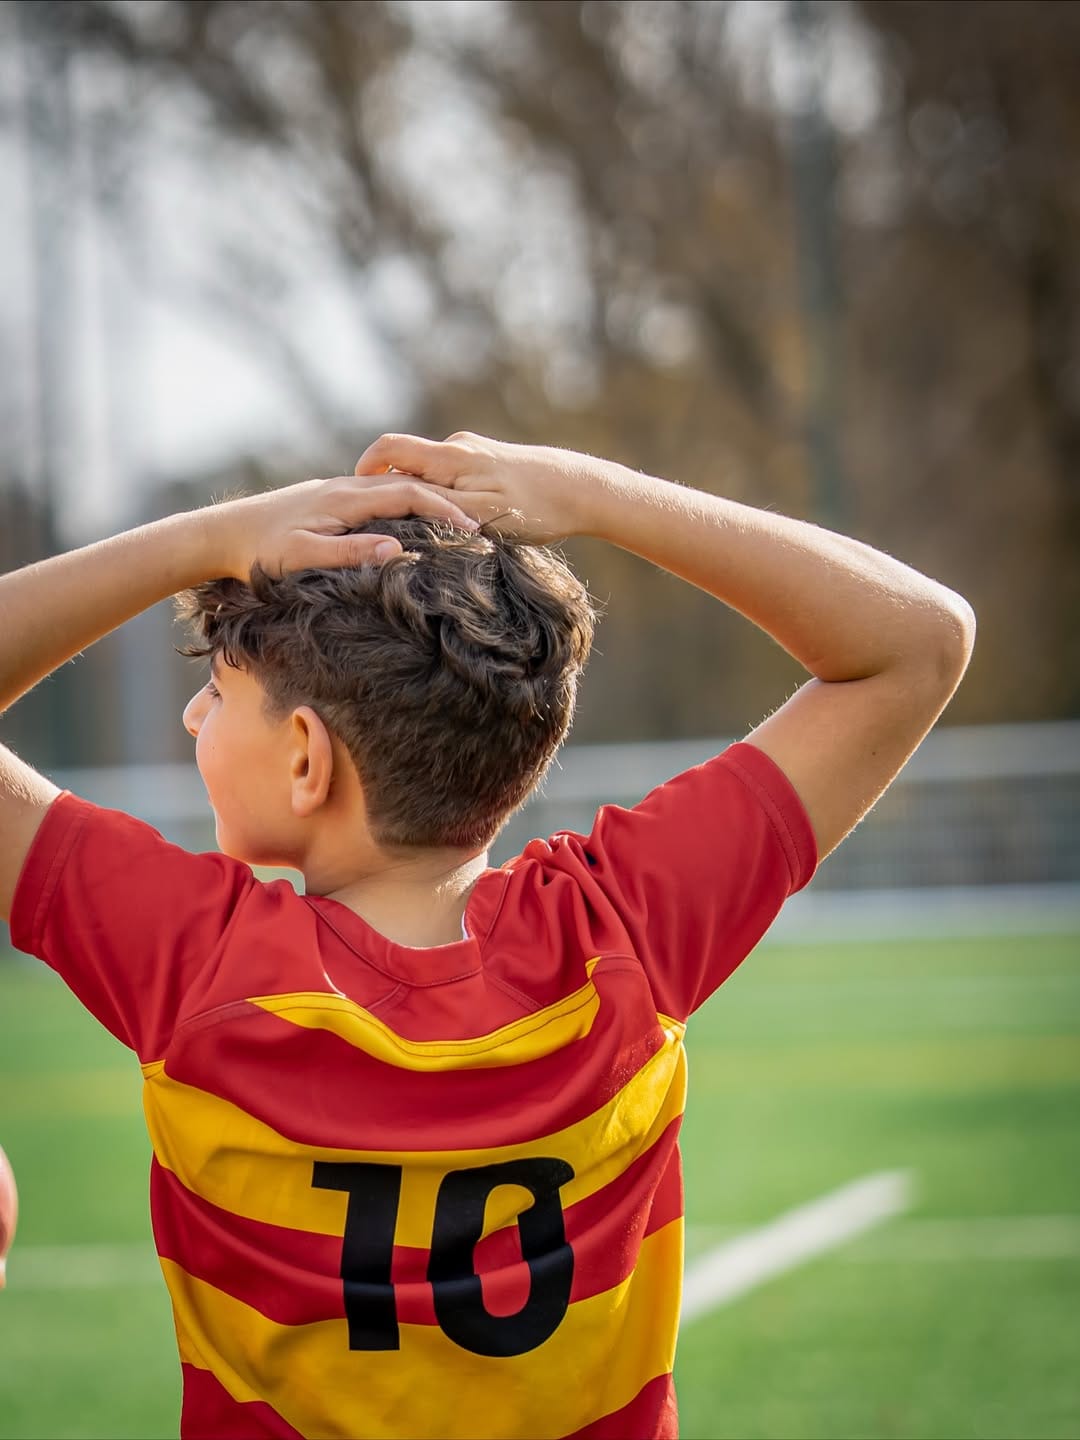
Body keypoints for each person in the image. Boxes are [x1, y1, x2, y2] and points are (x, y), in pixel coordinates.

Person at [0, 432, 974, 1439]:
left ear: (306, 759)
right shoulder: (623, 933)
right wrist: (600, 493)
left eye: (220, 691)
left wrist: (208, 539)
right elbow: (919, 642)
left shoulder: (194, 962)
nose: (198, 718)